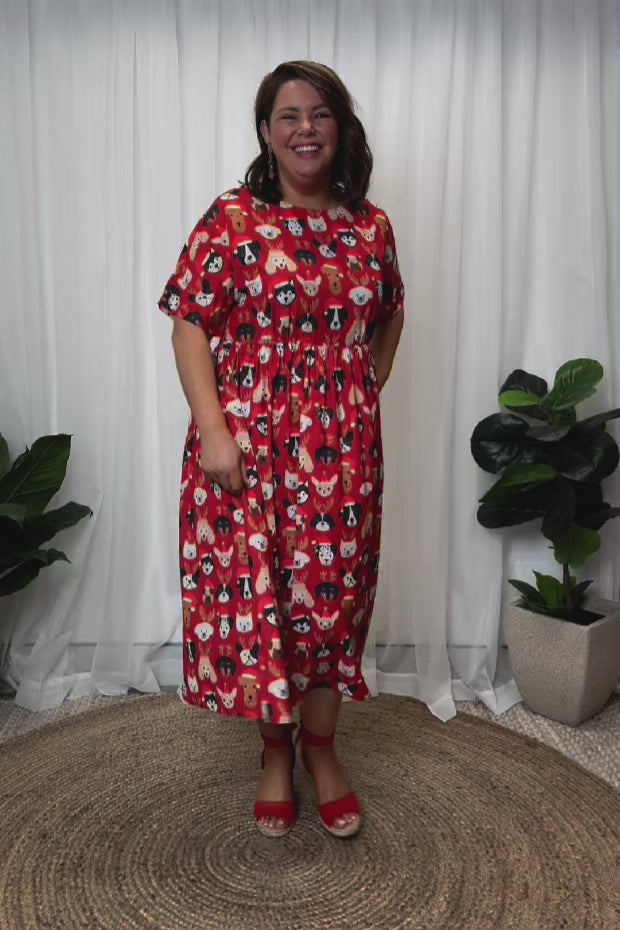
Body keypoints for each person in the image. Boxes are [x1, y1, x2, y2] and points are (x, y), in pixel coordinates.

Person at [158, 60, 404, 839]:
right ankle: (275, 754)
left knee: (331, 603)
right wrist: (214, 431)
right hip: (250, 446)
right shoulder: (233, 219)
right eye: (289, 115)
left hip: (343, 452)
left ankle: (321, 751)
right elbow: (189, 322)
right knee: (265, 602)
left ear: (341, 129)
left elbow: (391, 310)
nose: (306, 128)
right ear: (266, 132)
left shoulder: (370, 226)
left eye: (320, 114)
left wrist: (362, 385)